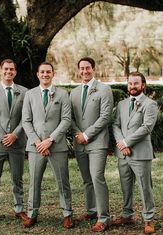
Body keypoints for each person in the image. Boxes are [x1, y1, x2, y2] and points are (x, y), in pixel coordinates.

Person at [22, 62, 73, 229]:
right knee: (34, 181)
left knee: (62, 180)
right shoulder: (29, 95)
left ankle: (67, 214)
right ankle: (32, 213)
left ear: (53, 74)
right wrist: (38, 142)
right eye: (42, 72)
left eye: (48, 72)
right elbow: (26, 121)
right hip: (36, 147)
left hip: (56, 145)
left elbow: (66, 120)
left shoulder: (62, 94)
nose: (45, 74)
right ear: (38, 74)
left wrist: (50, 140)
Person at [70, 57, 113, 232]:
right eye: (82, 68)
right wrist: (78, 135)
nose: (85, 71)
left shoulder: (104, 89)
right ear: (78, 70)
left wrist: (87, 134)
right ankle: (92, 210)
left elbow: (105, 117)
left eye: (88, 68)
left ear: (93, 69)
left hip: (97, 142)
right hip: (79, 142)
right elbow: (69, 118)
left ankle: (104, 217)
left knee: (97, 177)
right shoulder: (73, 92)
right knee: (87, 179)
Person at [112, 71, 158, 234]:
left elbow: (146, 127)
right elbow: (115, 125)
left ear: (143, 85)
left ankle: (149, 219)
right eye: (130, 83)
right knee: (126, 186)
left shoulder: (150, 104)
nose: (132, 86)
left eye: (136, 83)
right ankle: (127, 214)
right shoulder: (122, 104)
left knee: (145, 187)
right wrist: (121, 144)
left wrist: (126, 142)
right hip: (123, 153)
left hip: (140, 153)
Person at [0, 59, 28, 223]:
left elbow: (26, 117)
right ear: (1, 71)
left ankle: (19, 209)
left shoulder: (24, 92)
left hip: (17, 142)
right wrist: (3, 135)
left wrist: (14, 135)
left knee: (17, 178)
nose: (8, 72)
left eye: (12, 69)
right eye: (6, 69)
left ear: (15, 72)